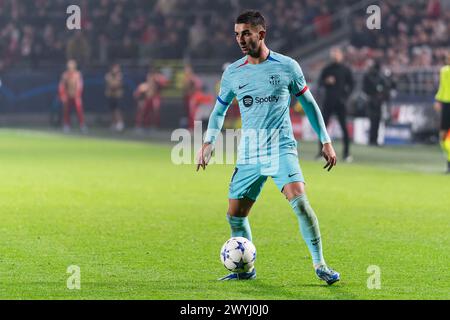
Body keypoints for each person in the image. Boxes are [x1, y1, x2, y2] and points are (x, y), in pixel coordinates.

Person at [196, 11, 340, 284]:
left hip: (280, 148)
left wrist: (326, 140)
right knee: (235, 215)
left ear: (261, 34)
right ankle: (245, 270)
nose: (240, 39)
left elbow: (309, 104)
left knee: (300, 201)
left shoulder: (287, 67)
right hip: (249, 152)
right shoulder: (233, 73)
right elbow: (218, 111)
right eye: (237, 34)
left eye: (246, 33)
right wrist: (208, 142)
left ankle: (320, 264)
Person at [317, 47, 354, 161]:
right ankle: (321, 153)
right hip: (328, 102)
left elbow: (352, 84)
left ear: (341, 55)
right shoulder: (327, 69)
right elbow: (320, 83)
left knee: (344, 129)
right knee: (323, 129)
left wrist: (346, 96)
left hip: (340, 103)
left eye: (337, 54)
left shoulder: (345, 69)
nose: (335, 56)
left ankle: (346, 154)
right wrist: (326, 82)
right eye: (333, 54)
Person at [362, 60, 391, 146]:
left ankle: (374, 139)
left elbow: (386, 88)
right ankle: (372, 139)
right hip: (372, 101)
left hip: (377, 101)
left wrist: (381, 96)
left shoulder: (377, 77)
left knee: (376, 121)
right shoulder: (370, 76)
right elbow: (365, 89)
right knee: (373, 120)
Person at [134, 67, 168, 132]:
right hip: (146, 99)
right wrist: (140, 96)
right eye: (149, 76)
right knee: (143, 112)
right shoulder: (145, 85)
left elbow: (164, 83)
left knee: (154, 112)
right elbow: (137, 93)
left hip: (153, 98)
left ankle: (153, 126)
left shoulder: (157, 79)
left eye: (150, 76)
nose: (149, 78)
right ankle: (140, 126)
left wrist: (157, 78)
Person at [58, 60, 87, 133]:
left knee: (79, 110)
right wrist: (63, 95)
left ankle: (82, 125)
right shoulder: (65, 75)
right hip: (68, 95)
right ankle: (66, 125)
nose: (70, 67)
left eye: (71, 65)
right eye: (69, 65)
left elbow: (80, 85)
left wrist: (78, 94)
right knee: (66, 111)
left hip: (76, 96)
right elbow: (61, 85)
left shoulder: (77, 74)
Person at [434, 53, 450, 173]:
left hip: (445, 103)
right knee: (443, 136)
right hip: (446, 103)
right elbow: (442, 87)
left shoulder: (444, 70)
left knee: (446, 136)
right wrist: (438, 100)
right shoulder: (444, 70)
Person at [105, 63, 125, 132]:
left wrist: (114, 85)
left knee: (117, 110)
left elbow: (117, 85)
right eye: (114, 68)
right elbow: (110, 85)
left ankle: (120, 124)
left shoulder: (119, 76)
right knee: (112, 110)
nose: (115, 70)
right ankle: (113, 123)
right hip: (110, 95)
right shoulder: (108, 75)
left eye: (117, 68)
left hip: (117, 96)